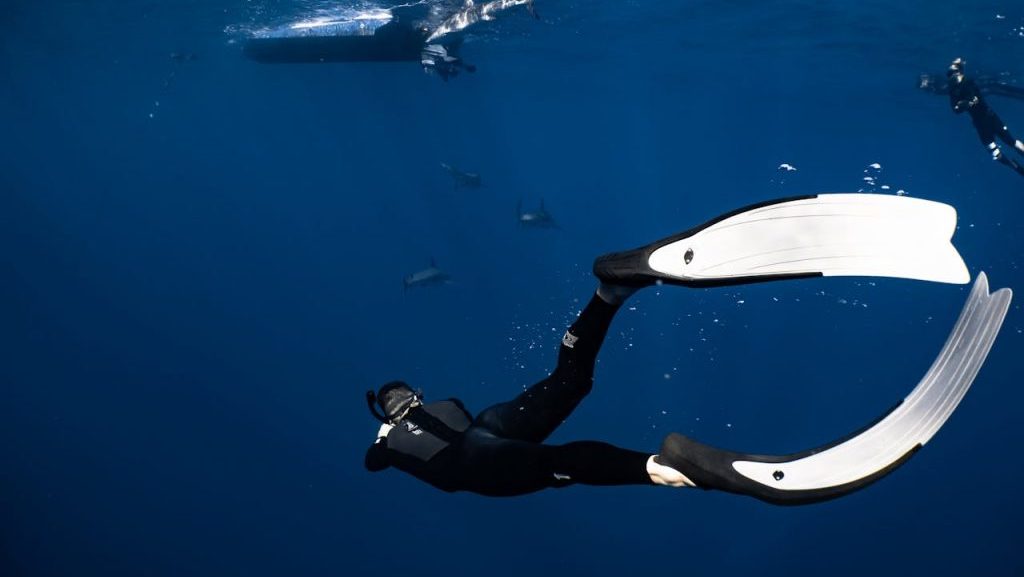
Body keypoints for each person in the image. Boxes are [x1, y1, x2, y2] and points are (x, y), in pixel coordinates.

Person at [364, 195, 1012, 504]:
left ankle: (662, 465)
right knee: (570, 379)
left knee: (563, 460)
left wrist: (386, 432)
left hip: (480, 454)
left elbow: (378, 460)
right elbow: (420, 432)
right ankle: (608, 290)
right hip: (487, 425)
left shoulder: (388, 438)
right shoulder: (421, 411)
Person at [946, 57, 1024, 177]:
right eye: (948, 74)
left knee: (1011, 142)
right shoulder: (953, 90)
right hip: (979, 124)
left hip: (990, 118)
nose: (950, 76)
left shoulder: (968, 82)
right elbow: (956, 110)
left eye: (952, 73)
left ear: (959, 72)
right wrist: (963, 104)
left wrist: (963, 104)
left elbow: (973, 99)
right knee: (995, 154)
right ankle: (1017, 168)